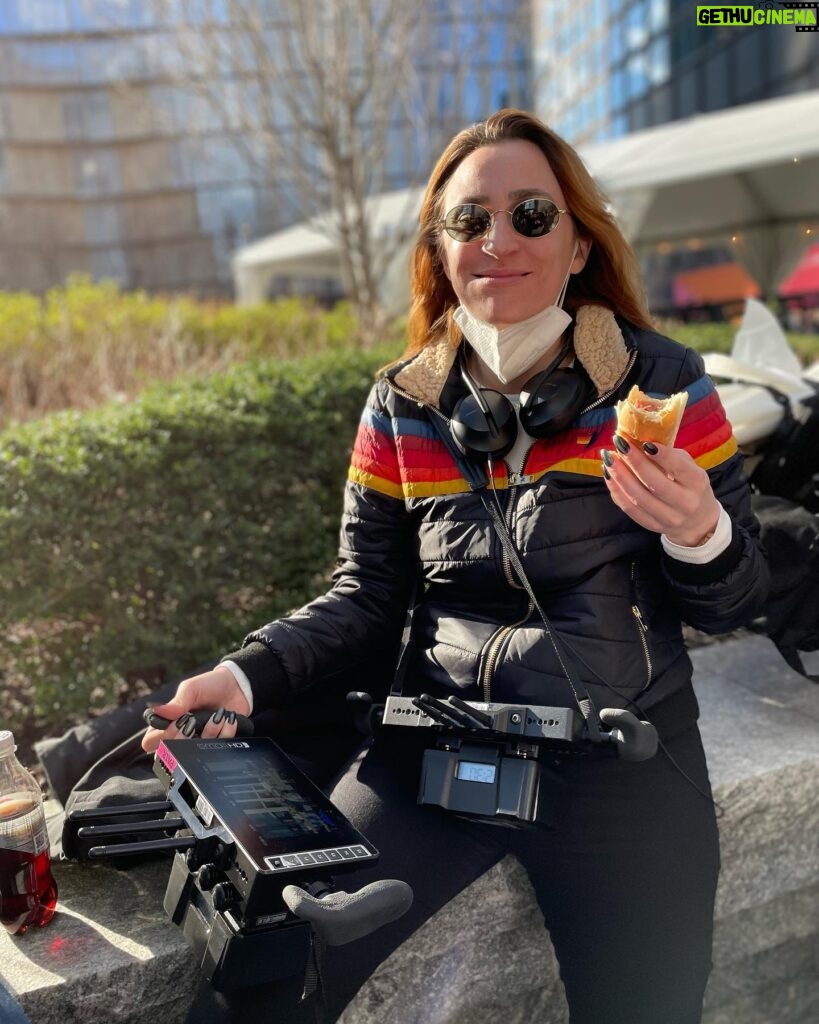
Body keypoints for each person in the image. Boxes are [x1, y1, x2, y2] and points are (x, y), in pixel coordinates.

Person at [143, 109, 768, 1023]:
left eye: (532, 215)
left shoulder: (661, 386)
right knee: (264, 983)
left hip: (620, 766)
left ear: (579, 244)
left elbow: (736, 596)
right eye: (469, 219)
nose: (498, 240)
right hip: (434, 748)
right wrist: (244, 675)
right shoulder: (402, 404)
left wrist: (699, 533)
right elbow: (365, 598)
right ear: (440, 248)